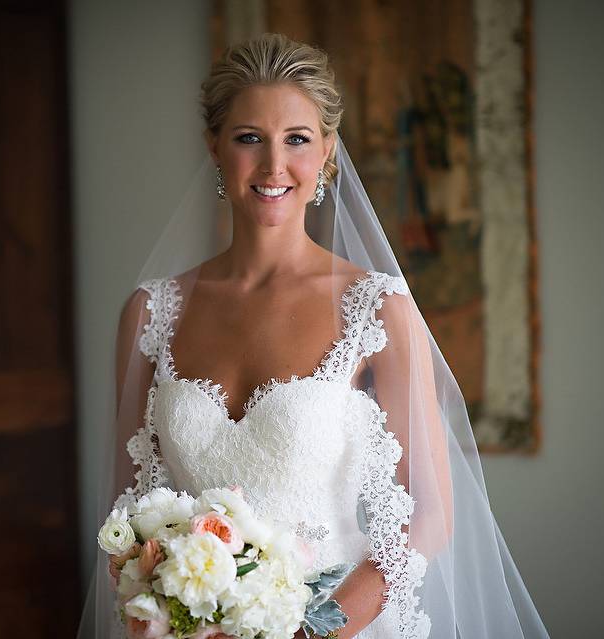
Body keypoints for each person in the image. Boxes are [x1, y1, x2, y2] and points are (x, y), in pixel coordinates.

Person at [80, 33, 550, 639]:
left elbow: (429, 516)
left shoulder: (376, 308)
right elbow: (127, 517)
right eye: (249, 138)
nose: (274, 166)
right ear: (215, 148)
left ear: (327, 152)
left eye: (296, 140)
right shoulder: (150, 314)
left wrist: (314, 631)